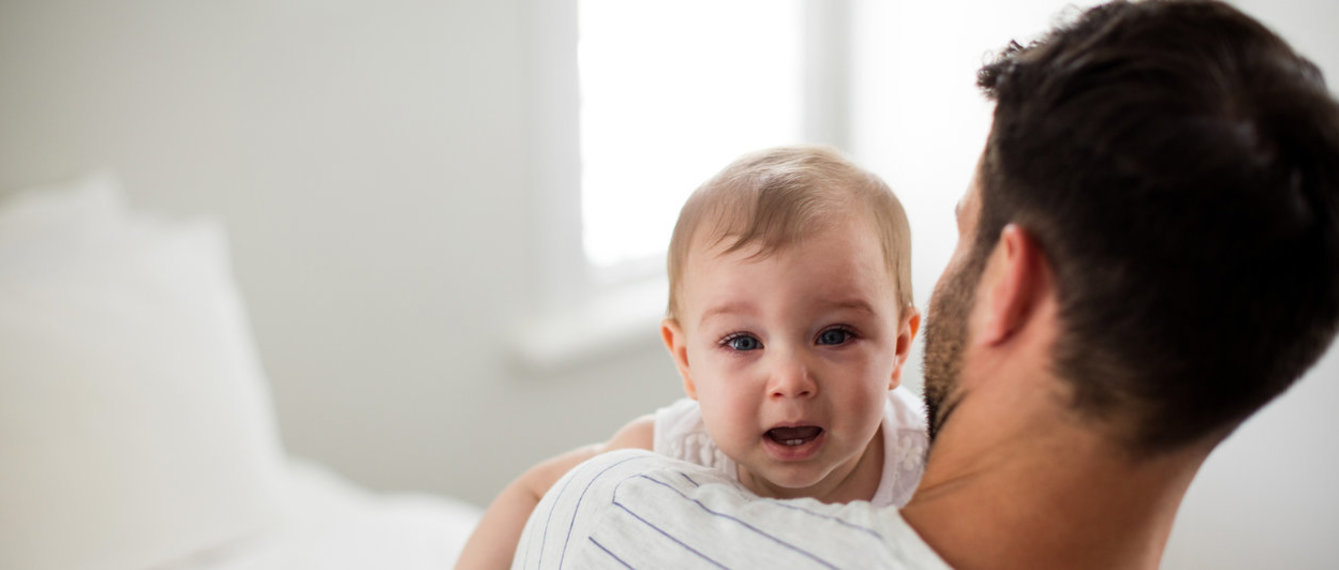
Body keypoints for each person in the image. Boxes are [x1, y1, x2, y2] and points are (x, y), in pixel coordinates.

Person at [510, 1, 1339, 568]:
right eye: (740, 339)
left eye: (965, 227)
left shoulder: (615, 520)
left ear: (1010, 283)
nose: (790, 376)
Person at [456, 146, 926, 568]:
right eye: (743, 342)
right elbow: (537, 493)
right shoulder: (672, 454)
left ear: (898, 348)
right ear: (686, 361)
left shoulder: (930, 462)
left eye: (835, 335)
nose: (789, 380)